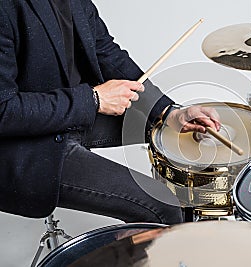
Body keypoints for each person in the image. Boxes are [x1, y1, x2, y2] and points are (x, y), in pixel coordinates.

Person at [0, 0, 220, 225]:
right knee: (163, 206)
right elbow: (3, 109)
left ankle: (157, 239)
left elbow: (106, 52)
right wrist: (94, 99)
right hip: (27, 145)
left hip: (72, 114)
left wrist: (169, 112)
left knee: (174, 133)